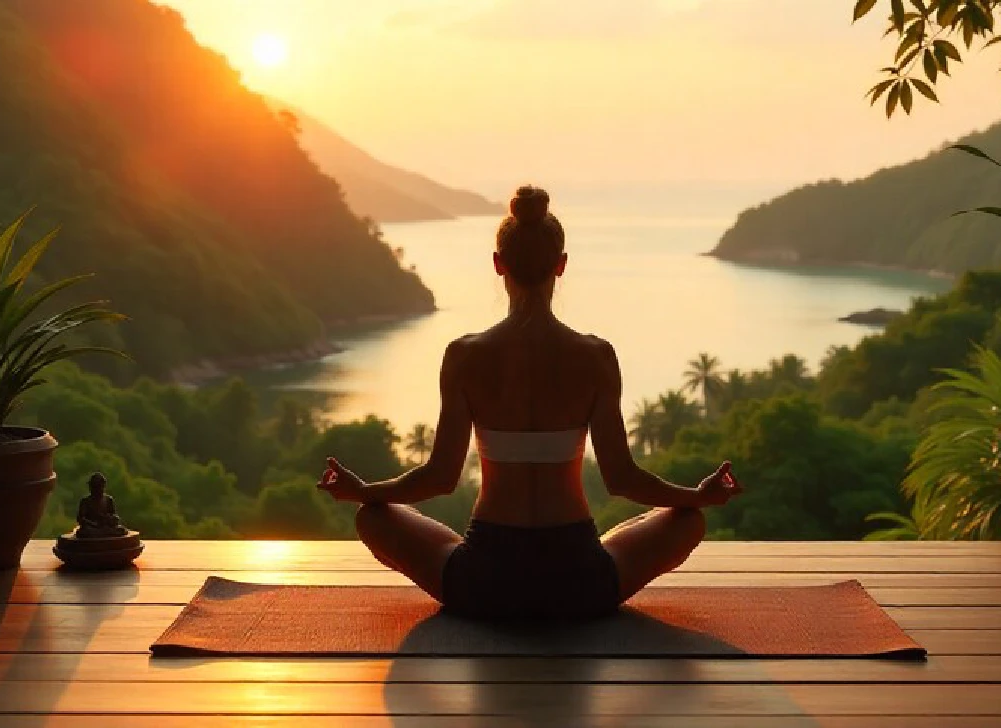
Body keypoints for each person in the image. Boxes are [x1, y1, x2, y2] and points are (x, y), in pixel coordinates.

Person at [318, 185, 742, 619]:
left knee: (372, 518)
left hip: (483, 583)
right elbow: (622, 480)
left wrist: (365, 491)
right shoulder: (595, 357)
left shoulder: (464, 356)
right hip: (580, 582)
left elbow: (441, 478)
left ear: (498, 264)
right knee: (687, 520)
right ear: (561, 266)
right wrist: (697, 497)